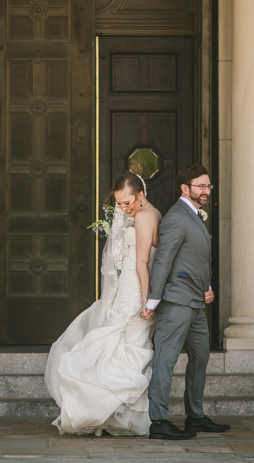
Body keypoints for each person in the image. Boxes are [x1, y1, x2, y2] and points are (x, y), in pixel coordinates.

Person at [44, 171, 162, 436]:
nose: (123, 208)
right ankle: (115, 414)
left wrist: (147, 302)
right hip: (130, 288)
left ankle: (104, 411)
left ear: (140, 195)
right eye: (119, 203)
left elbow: (143, 263)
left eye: (127, 202)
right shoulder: (153, 213)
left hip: (135, 291)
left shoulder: (144, 217)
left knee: (123, 346)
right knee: (126, 347)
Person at [141, 164, 229, 440]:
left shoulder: (195, 216)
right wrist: (153, 302)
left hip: (196, 302)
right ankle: (158, 421)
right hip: (176, 302)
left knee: (201, 356)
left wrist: (208, 287)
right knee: (165, 359)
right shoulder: (176, 217)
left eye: (208, 186)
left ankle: (195, 416)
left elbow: (196, 258)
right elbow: (163, 261)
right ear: (185, 188)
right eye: (201, 186)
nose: (206, 191)